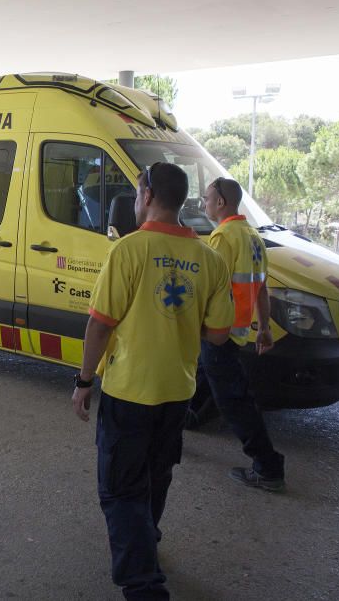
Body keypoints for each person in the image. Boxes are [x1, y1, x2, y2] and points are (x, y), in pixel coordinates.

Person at [72, 161, 234, 600]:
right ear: (181, 201)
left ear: (145, 195)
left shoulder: (127, 250)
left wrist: (84, 380)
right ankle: (147, 539)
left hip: (129, 391)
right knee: (156, 475)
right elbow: (219, 333)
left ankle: (143, 586)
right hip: (177, 392)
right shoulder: (210, 258)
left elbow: (100, 325)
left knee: (122, 489)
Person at [188, 176, 285, 491]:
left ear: (220, 203)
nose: (203, 203)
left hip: (220, 333)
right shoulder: (253, 237)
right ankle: (174, 429)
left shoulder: (223, 237)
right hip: (236, 332)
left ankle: (268, 467)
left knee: (234, 401)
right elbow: (261, 289)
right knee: (195, 379)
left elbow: (207, 288)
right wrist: (265, 327)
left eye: (206, 198)